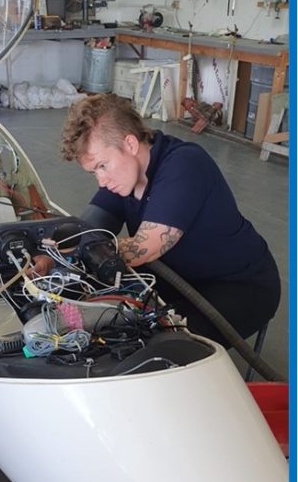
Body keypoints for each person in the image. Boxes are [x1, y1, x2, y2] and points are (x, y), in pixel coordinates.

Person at [36, 93, 281, 348]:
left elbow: (145, 247)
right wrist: (49, 257)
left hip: (238, 285)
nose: (101, 180)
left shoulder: (185, 165)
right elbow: (88, 227)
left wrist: (76, 253)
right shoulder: (124, 176)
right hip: (176, 276)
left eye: (102, 166)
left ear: (130, 144)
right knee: (95, 304)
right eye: (94, 171)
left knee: (159, 347)